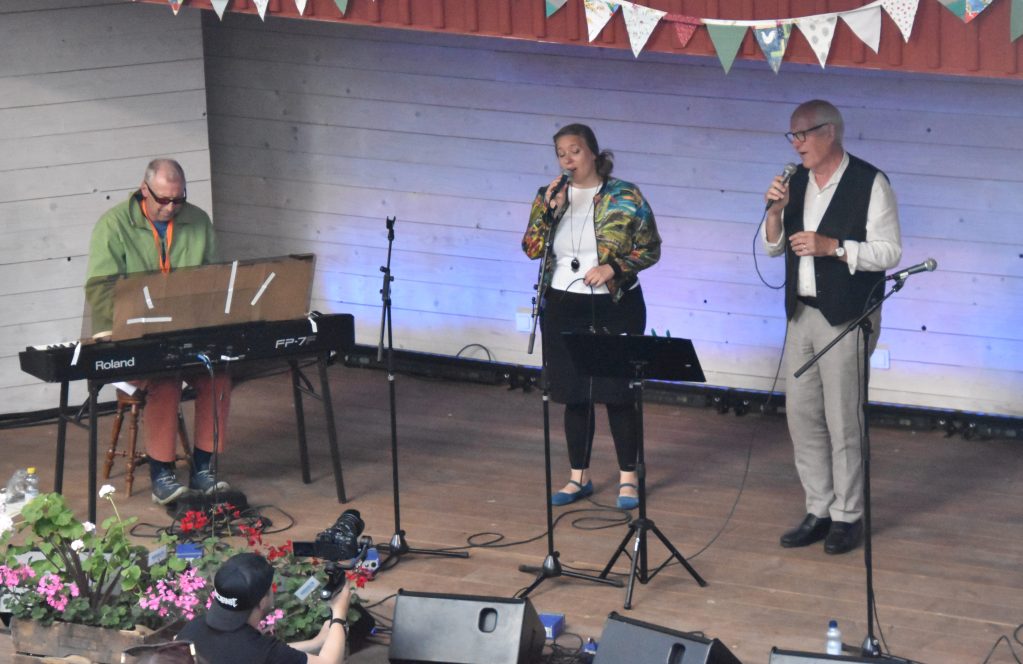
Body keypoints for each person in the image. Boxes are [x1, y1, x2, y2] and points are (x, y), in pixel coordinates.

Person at [763, 100, 902, 555]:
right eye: (792, 136)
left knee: (844, 418)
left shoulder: (870, 182)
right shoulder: (796, 182)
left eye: (801, 135)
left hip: (846, 315)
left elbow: (889, 252)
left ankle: (848, 514)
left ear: (829, 133)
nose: (795, 144)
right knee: (802, 416)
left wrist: (835, 248)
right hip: (801, 314)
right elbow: (771, 249)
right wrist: (775, 213)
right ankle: (819, 508)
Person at [522, 123, 661, 510]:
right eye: (561, 153)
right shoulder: (548, 195)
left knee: (617, 392)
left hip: (614, 303)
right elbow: (531, 248)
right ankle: (578, 477)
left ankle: (629, 478)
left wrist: (614, 267)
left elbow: (651, 248)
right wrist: (550, 212)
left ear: (594, 154)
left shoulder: (625, 195)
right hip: (564, 301)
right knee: (573, 393)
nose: (568, 159)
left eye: (575, 151)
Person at [85, 158, 232, 505]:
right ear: (144, 189)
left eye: (178, 200)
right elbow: (99, 291)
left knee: (220, 375)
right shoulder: (113, 225)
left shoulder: (197, 220)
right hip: (132, 337)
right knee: (164, 380)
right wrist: (142, 315)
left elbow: (212, 279)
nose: (170, 208)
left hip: (185, 333)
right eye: (163, 200)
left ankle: (204, 467)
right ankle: (162, 474)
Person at [177, 552, 352, 664]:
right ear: (262, 601)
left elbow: (273, 654)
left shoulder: (193, 628)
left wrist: (316, 643)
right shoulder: (257, 650)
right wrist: (339, 614)